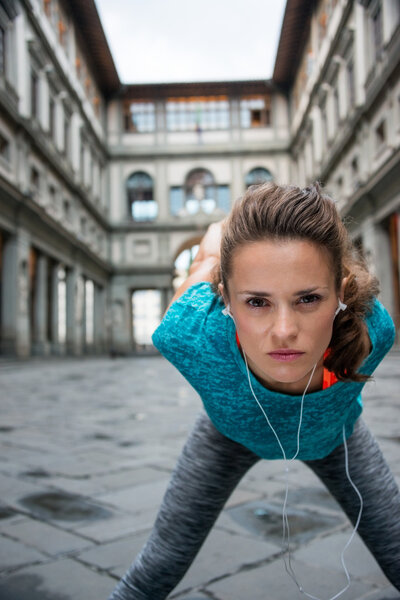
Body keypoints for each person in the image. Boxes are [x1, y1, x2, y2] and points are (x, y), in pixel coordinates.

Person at [109, 182, 400, 600]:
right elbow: (202, 271)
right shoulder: (189, 336)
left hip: (336, 437)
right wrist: (214, 247)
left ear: (340, 291)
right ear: (226, 299)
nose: (284, 331)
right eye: (257, 302)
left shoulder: (375, 332)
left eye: (308, 299)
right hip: (227, 436)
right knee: (157, 566)